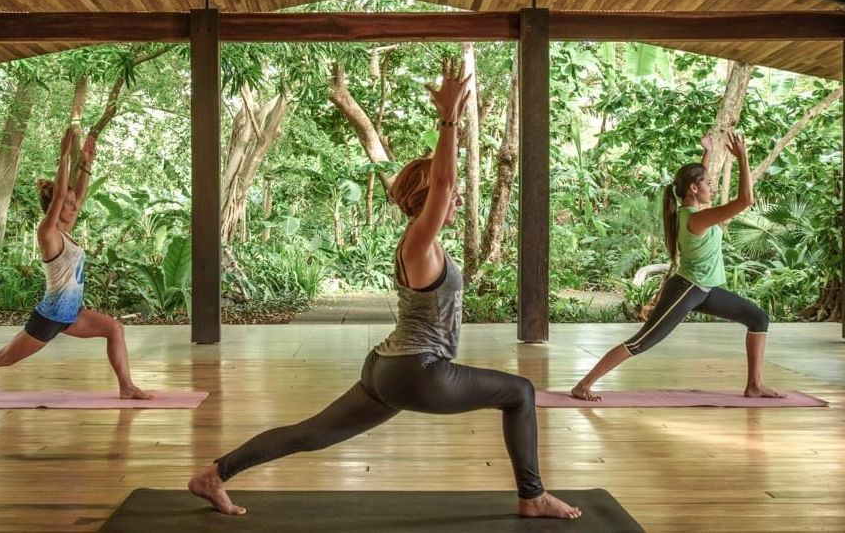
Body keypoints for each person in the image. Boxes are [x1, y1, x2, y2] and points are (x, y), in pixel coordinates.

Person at [186, 60, 581, 520]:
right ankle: (532, 496)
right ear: (427, 194)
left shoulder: (423, 246)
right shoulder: (418, 241)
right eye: (446, 194)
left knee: (310, 433)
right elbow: (447, 181)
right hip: (417, 371)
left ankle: (214, 475)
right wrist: (450, 119)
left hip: (388, 370)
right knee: (520, 393)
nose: (455, 198)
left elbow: (448, 184)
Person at [0, 128, 151, 402]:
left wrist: (87, 161)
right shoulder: (47, 233)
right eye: (67, 204)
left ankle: (127, 387)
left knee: (115, 329)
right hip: (50, 317)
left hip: (71, 314)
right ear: (53, 207)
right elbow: (61, 195)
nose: (74, 208)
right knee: (5, 358)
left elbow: (77, 195)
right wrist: (64, 157)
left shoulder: (66, 231)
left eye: (74, 205)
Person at [569, 133, 783, 402]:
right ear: (694, 189)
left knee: (758, 319)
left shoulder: (692, 212)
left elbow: (698, 180)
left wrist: (705, 153)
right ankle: (583, 385)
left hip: (705, 290)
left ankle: (754, 384)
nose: (712, 187)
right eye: (707, 183)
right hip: (687, 289)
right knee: (642, 341)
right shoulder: (697, 218)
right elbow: (745, 201)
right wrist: (743, 157)